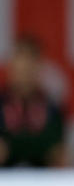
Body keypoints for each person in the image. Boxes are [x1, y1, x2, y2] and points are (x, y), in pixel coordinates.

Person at [0, 37, 65, 168]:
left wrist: (11, 146)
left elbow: (55, 148)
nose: (24, 73)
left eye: (29, 67)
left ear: (38, 68)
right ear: (10, 67)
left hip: (42, 182)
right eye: (20, 67)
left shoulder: (52, 107)